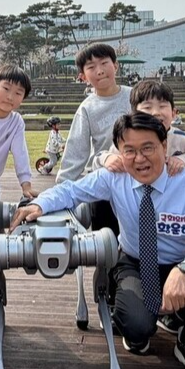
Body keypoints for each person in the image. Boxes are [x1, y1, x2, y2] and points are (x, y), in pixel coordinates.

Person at [11, 113, 185, 369]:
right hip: (134, 261)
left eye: (148, 148)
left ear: (164, 146)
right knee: (137, 329)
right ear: (120, 152)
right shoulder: (114, 177)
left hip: (179, 262)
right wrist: (38, 204)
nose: (139, 158)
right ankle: (144, 320)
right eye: (130, 150)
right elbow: (71, 191)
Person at [57, 43, 132, 237]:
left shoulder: (135, 97)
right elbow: (75, 152)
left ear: (115, 65)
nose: (99, 71)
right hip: (104, 184)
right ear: (82, 76)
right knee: (106, 246)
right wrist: (59, 193)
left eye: (104, 63)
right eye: (91, 67)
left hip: (138, 179)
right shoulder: (87, 109)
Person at [93, 80, 185, 176]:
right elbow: (98, 164)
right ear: (133, 113)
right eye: (147, 107)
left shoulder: (184, 141)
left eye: (162, 106)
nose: (155, 112)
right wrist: (107, 159)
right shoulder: (126, 140)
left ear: (174, 113)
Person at [0, 64, 37, 218]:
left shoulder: (16, 121)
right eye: (6, 89)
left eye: (18, 93)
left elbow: (20, 153)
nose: (10, 97)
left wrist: (26, 184)